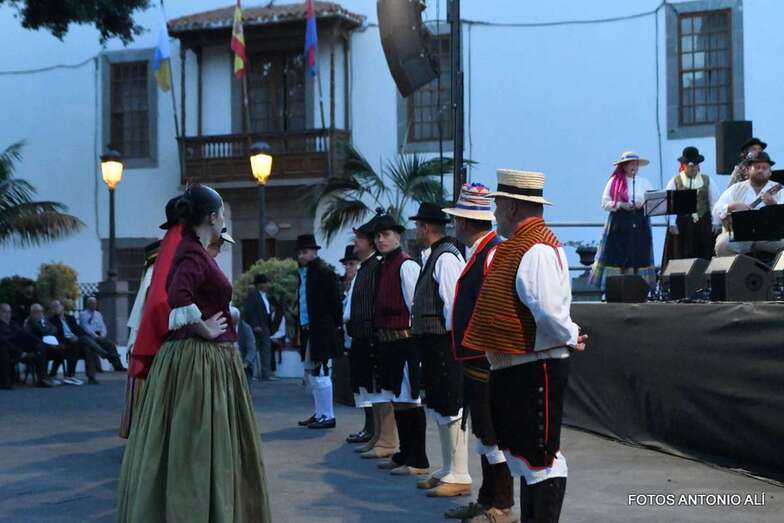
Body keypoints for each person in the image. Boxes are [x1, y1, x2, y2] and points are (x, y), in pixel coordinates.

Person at [117, 183, 270, 522]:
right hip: (200, 361)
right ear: (212, 217)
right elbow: (177, 297)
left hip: (207, 358)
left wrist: (224, 315)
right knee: (197, 441)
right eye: (222, 214)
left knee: (202, 439)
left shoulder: (192, 249)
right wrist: (205, 328)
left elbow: (194, 296)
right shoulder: (191, 253)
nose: (224, 220)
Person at [462, 169, 587, 523]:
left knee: (541, 461)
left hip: (537, 367)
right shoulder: (520, 245)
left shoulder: (537, 248)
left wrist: (569, 334)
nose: (495, 213)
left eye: (498, 205)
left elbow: (548, 310)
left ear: (513, 206)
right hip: (521, 367)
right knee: (527, 461)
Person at [442, 183, 514, 521]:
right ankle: (488, 499)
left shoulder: (492, 253)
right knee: (484, 432)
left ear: (464, 222)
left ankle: (501, 505)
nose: (454, 224)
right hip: (476, 358)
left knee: (493, 432)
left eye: (456, 219)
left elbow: (496, 305)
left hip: (486, 360)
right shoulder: (481, 251)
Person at [409, 202, 472, 498]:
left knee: (452, 405)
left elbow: (453, 304)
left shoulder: (446, 257)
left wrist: (450, 344)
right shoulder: (434, 255)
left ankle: (460, 473)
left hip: (445, 344)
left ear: (425, 227)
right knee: (439, 404)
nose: (416, 231)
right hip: (433, 344)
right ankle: (448, 468)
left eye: (417, 226)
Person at [372, 214, 429, 476]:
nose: (380, 240)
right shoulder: (384, 266)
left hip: (406, 342)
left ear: (398, 236)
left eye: (385, 234)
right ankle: (405, 453)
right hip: (389, 345)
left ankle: (418, 459)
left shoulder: (406, 266)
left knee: (410, 400)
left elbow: (415, 307)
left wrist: (417, 348)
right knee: (398, 400)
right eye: (377, 236)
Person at [295, 234, 342, 430]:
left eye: (305, 252)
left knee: (321, 372)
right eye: (300, 252)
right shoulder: (304, 273)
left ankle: (328, 415)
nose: (301, 256)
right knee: (313, 373)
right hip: (309, 328)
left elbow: (335, 302)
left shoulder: (323, 271)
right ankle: (320, 413)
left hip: (321, 329)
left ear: (314, 252)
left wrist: (333, 325)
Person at [589, 151, 656, 291]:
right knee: (619, 255)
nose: (634, 167)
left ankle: (637, 289)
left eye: (636, 164)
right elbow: (605, 203)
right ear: (624, 166)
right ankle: (618, 289)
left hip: (640, 222)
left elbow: (653, 200)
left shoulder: (644, 182)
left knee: (638, 254)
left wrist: (642, 204)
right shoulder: (615, 182)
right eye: (631, 164)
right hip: (620, 222)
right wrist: (621, 204)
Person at [713, 151, 784, 258]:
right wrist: (732, 206)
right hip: (741, 237)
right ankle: (739, 267)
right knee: (722, 245)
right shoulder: (735, 188)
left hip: (771, 237)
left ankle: (777, 268)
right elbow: (715, 211)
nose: (760, 170)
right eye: (757, 167)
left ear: (770, 172)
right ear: (748, 170)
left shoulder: (779, 189)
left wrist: (773, 205)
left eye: (764, 168)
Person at [661, 146, 721, 268]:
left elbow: (715, 202)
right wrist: (672, 223)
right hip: (682, 225)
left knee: (704, 254)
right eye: (689, 165)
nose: (692, 168)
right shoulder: (675, 181)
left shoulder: (707, 180)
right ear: (684, 165)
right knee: (681, 255)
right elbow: (669, 204)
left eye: (695, 165)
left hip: (703, 224)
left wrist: (716, 222)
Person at [340, 243, 374, 444]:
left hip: (361, 336)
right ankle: (369, 428)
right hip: (351, 338)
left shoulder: (361, 281)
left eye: (351, 263)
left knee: (367, 388)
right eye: (346, 264)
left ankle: (371, 429)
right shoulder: (347, 285)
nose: (348, 267)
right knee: (360, 387)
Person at [0, 302, 54, 388]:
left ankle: (42, 379)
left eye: (9, 312)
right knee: (4, 345)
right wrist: (20, 352)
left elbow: (25, 334)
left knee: (39, 345)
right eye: (4, 312)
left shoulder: (13, 324)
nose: (8, 314)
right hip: (10, 350)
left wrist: (39, 342)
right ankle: (6, 382)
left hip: (20, 348)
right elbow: (4, 341)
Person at [49, 300, 101, 385]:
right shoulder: (52, 320)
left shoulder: (70, 318)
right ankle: (103, 354)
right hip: (65, 343)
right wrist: (69, 339)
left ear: (62, 307)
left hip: (76, 342)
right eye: (53, 307)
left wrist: (76, 337)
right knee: (84, 342)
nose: (55, 308)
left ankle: (90, 377)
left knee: (87, 347)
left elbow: (78, 330)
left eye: (57, 306)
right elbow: (55, 335)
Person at [78, 297, 126, 372]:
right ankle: (98, 367)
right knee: (91, 347)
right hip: (89, 336)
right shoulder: (83, 314)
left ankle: (118, 366)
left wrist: (102, 335)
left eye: (95, 304)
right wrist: (96, 336)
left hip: (99, 335)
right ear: (88, 304)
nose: (94, 305)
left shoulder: (98, 314)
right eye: (92, 304)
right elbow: (86, 327)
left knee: (111, 345)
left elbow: (102, 326)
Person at [23, 304, 66, 384]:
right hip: (36, 348)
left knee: (61, 351)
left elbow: (54, 328)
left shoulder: (44, 320)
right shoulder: (29, 322)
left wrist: (46, 331)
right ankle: (43, 378)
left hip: (48, 346)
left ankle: (51, 375)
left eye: (41, 311)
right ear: (32, 313)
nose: (40, 313)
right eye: (37, 312)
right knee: (42, 349)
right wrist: (46, 330)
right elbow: (40, 331)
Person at [244, 274, 275, 381]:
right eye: (265, 283)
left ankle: (266, 373)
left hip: (265, 325)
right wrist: (255, 325)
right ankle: (250, 373)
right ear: (259, 284)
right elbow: (250, 311)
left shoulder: (265, 296)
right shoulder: (253, 295)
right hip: (257, 326)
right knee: (253, 349)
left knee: (266, 349)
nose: (267, 285)